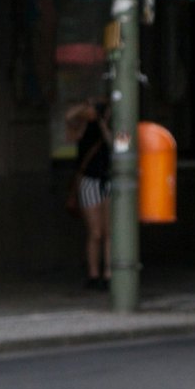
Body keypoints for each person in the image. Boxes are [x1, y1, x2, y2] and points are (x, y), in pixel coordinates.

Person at [71, 98, 112, 290]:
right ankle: (93, 274)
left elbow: (117, 145)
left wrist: (105, 124)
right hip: (90, 180)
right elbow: (68, 117)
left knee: (109, 232)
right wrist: (86, 106)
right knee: (95, 232)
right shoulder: (84, 125)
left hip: (109, 180)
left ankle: (109, 273)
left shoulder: (118, 125)